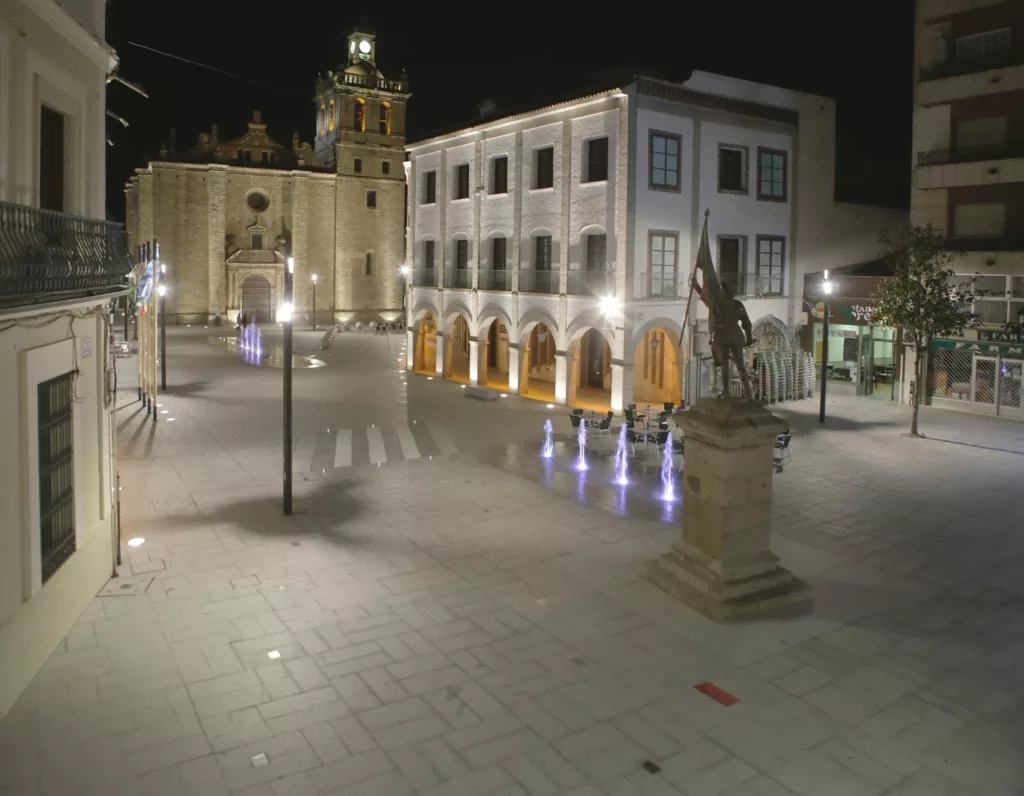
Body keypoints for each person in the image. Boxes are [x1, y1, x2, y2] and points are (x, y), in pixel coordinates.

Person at [690, 274, 755, 399]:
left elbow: (705, 298)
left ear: (724, 292)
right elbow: (747, 323)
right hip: (736, 335)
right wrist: (749, 338)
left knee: (725, 365)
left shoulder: (717, 304)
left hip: (722, 336)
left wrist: (696, 286)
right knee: (741, 366)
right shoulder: (738, 305)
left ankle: (727, 393)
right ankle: (748, 393)